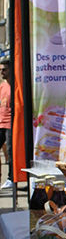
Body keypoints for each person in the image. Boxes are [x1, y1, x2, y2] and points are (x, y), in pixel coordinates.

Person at [0, 62, 11, 190]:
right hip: (1, 122)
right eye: (1, 70)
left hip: (10, 123)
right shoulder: (2, 86)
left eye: (4, 69)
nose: (2, 72)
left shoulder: (15, 86)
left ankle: (10, 177)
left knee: (10, 151)